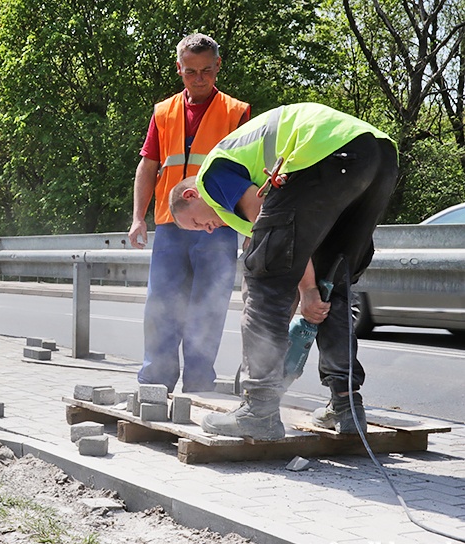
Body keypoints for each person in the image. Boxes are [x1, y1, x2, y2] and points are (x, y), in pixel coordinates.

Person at [169, 102, 398, 441]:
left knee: (263, 279)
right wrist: (310, 290)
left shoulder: (212, 176)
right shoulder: (246, 175)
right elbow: (293, 244)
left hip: (327, 154)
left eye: (195, 222)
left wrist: (303, 292)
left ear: (191, 195)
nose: (205, 228)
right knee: (331, 284)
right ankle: (347, 407)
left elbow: (271, 230)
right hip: (378, 157)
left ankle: (259, 410)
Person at [129, 33, 250, 393]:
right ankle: (155, 382)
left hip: (218, 226)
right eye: (191, 71)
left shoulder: (236, 112)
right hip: (170, 225)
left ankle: (198, 387)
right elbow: (148, 166)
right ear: (179, 69)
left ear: (218, 67)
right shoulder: (163, 112)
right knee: (161, 305)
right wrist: (139, 216)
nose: (199, 78)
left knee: (207, 308)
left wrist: (246, 226)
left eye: (207, 71)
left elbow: (248, 173)